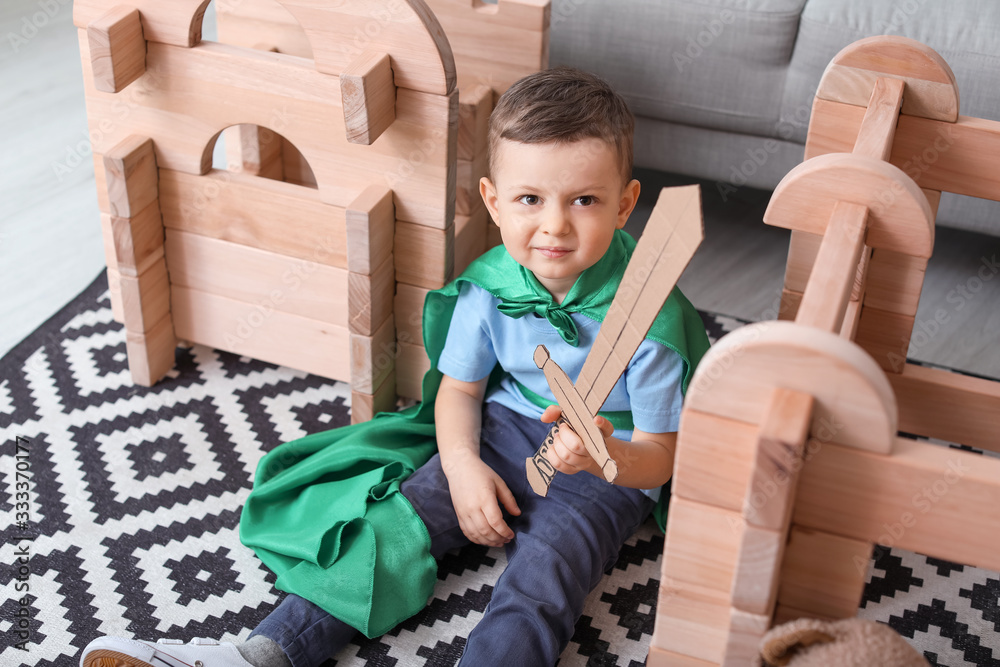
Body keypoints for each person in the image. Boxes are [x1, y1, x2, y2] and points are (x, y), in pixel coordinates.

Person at [80, 67, 710, 667]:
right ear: (492, 202)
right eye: (529, 198)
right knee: (392, 523)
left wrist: (607, 456)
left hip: (608, 457)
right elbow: (460, 392)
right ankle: (263, 654)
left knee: (546, 573)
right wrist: (462, 469)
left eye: (583, 201)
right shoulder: (487, 289)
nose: (553, 226)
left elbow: (662, 453)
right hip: (502, 427)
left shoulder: (651, 322)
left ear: (626, 205)